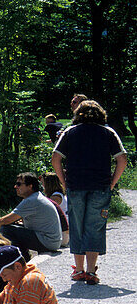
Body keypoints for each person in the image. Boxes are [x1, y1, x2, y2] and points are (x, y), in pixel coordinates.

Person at [52, 99, 127, 284]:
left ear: (78, 114)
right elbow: (122, 158)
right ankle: (91, 272)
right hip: (100, 186)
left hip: (76, 186)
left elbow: (56, 157)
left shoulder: (69, 132)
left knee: (77, 225)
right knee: (95, 226)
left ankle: (78, 270)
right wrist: (113, 182)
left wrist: (63, 180)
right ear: (101, 114)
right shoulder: (108, 132)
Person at [0, 173, 63, 254]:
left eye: (19, 184)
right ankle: (22, 255)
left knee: (5, 229)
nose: (15, 187)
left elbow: (3, 221)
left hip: (48, 242)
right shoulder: (36, 196)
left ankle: (15, 256)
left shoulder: (31, 200)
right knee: (13, 228)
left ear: (30, 186)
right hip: (52, 241)